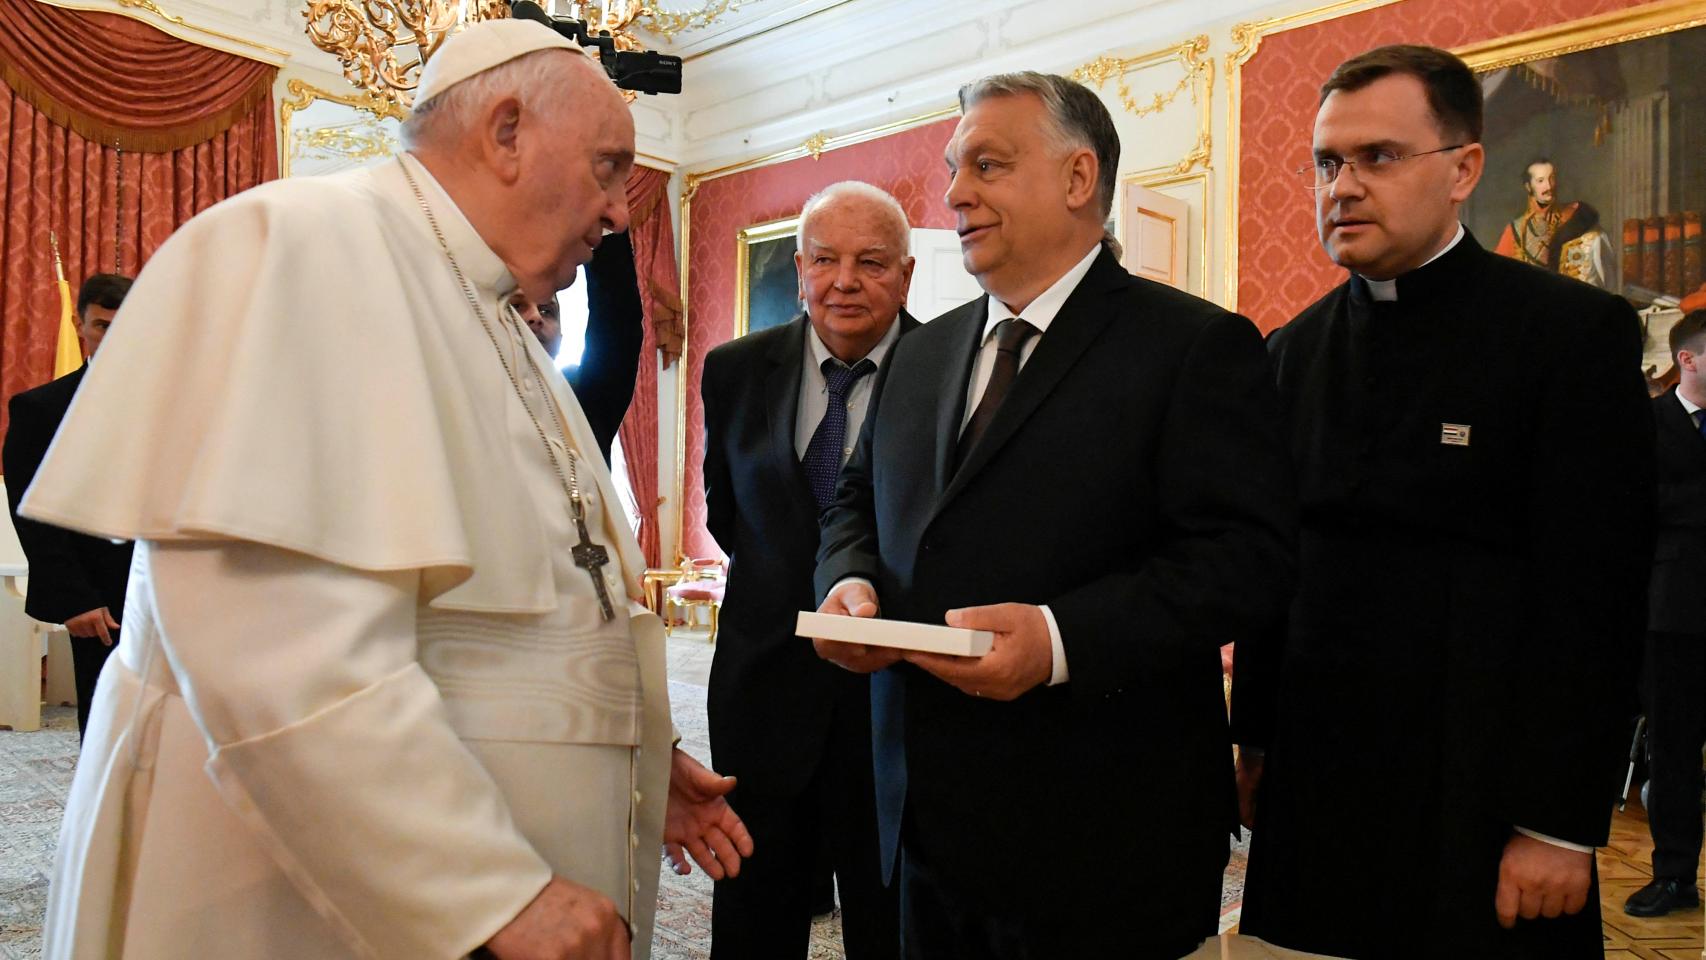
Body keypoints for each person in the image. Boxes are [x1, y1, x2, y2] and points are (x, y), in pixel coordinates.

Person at [24, 21, 749, 960]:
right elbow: (280, 649)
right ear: (506, 131)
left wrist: (634, 757)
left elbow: (537, 610)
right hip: (293, 897)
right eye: (610, 168)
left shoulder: (486, 307)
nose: (619, 212)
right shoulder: (312, 245)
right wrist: (489, 894)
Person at [811, 72, 1297, 959]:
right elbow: (856, 498)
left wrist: (1059, 638)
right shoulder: (923, 354)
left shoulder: (1193, 346)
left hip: (1104, 833)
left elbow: (1245, 561)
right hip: (925, 817)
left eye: (986, 165)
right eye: (956, 167)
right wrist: (847, 579)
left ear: (1079, 179)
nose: (954, 192)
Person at [1234, 45, 1655, 959]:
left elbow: (1596, 597)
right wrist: (1256, 740)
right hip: (1321, 786)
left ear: (1464, 168)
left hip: (1482, 794)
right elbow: (1279, 565)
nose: (1341, 186)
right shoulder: (1290, 352)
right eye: (1326, 162)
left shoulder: (1570, 337)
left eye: (1377, 157)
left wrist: (1558, 822)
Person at [701, 181, 916, 959]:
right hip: (762, 689)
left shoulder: (947, 370)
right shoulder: (734, 370)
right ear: (799, 269)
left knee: (886, 919)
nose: (844, 280)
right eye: (825, 259)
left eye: (870, 261)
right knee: (754, 916)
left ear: (907, 274)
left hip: (892, 702)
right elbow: (728, 513)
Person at [3, 273, 134, 740]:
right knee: (106, 722)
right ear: (80, 325)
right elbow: (32, 511)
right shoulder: (41, 409)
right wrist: (75, 597)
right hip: (101, 597)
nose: (112, 337)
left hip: (174, 591)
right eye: (102, 325)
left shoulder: (176, 404)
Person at [1625, 310, 1706, 918]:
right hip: (1671, 613)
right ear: (1688, 359)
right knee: (1673, 752)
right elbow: (1632, 509)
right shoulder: (1646, 425)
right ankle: (1675, 876)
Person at [1493, 157, 1613, 288]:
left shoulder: (1579, 217)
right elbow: (1497, 277)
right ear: (1528, 187)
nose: (1549, 186)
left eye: (1552, 178)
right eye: (1540, 181)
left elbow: (1602, 269)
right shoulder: (1515, 230)